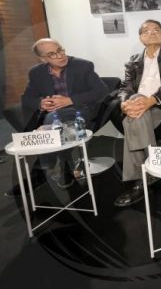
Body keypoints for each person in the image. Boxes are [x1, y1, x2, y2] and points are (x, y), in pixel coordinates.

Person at [7, 38, 108, 195]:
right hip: (52, 114)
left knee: (53, 119)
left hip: (80, 110)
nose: (60, 55)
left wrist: (69, 100)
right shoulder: (36, 72)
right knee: (52, 119)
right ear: (43, 59)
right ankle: (62, 165)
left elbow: (101, 91)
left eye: (60, 50)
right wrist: (41, 103)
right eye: (52, 54)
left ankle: (44, 168)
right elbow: (26, 98)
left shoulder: (83, 66)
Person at [113, 20, 161, 207]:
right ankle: (150, 173)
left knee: (132, 120)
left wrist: (149, 101)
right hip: (139, 107)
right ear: (140, 37)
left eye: (157, 30)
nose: (152, 32)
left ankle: (140, 180)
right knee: (135, 115)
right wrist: (124, 105)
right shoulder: (133, 61)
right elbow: (125, 87)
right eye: (147, 30)